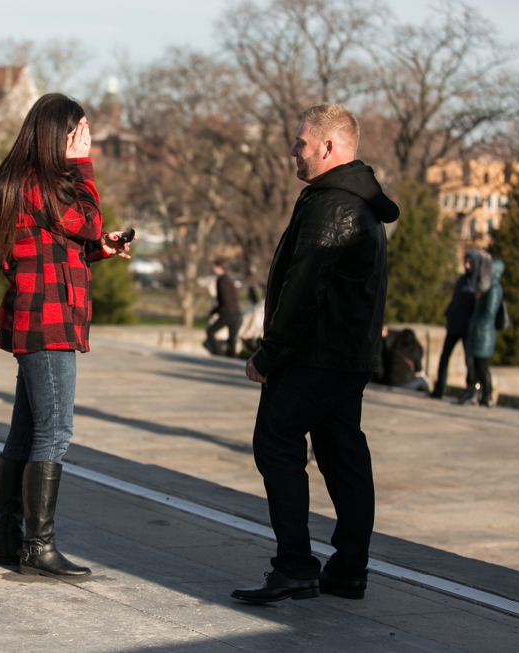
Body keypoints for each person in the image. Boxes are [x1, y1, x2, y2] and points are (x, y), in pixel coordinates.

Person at [231, 104, 399, 605]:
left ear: (329, 147)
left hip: (317, 356)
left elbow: (304, 288)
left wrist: (269, 355)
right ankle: (347, 570)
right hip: (347, 357)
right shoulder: (356, 199)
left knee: (275, 442)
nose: (292, 151)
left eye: (300, 143)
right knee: (343, 455)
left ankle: (296, 566)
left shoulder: (332, 204)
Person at [0, 94, 130, 578]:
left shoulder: (30, 182)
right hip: (47, 321)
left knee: (26, 432)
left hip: (41, 314)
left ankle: (7, 540)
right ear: (55, 135)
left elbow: (57, 249)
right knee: (55, 431)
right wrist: (83, 166)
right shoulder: (39, 183)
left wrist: (100, 251)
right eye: (78, 131)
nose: (84, 138)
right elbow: (87, 219)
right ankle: (37, 547)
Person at [430, 252, 482, 399]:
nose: (467, 265)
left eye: (470, 263)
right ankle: (439, 388)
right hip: (454, 325)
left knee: (469, 361)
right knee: (444, 358)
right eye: (466, 262)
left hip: (467, 329)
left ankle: (471, 390)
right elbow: (455, 301)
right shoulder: (461, 281)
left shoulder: (478, 285)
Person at [460, 255, 504, 407]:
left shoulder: (494, 289)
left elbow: (489, 313)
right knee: (476, 366)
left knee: (482, 367)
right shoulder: (486, 287)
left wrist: (477, 325)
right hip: (479, 333)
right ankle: (478, 394)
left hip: (484, 334)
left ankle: (487, 395)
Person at [204, 260, 242, 356]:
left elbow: (224, 299)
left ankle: (220, 355)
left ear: (218, 267)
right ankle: (233, 357)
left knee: (210, 331)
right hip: (236, 312)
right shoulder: (228, 278)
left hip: (227, 312)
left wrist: (215, 311)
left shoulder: (221, 280)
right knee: (232, 338)